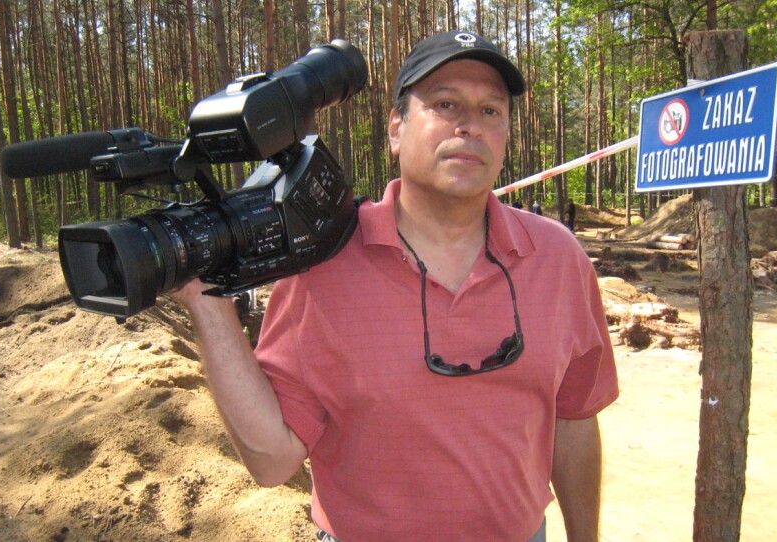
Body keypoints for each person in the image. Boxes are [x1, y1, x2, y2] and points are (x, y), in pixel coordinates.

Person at [171, 30, 618, 542]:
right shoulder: (323, 265)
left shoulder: (559, 260)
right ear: (396, 131)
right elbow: (272, 461)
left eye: (491, 111)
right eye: (445, 104)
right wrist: (206, 304)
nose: (469, 125)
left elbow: (575, 415)